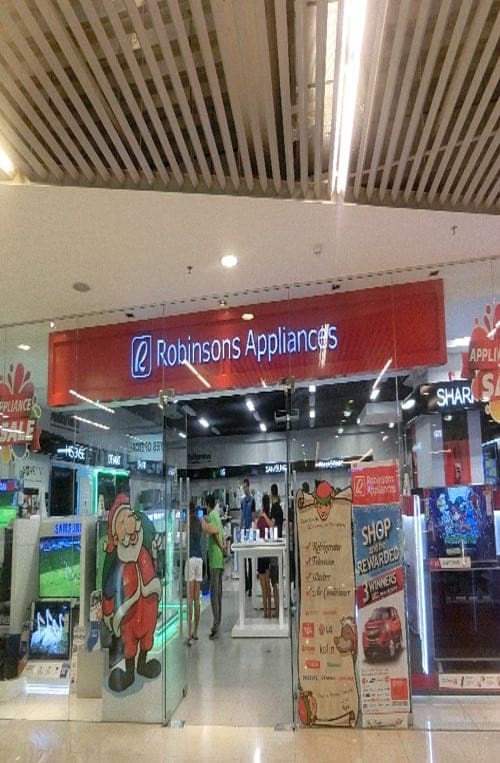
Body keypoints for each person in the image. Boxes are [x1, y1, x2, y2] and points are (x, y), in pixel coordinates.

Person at [204, 493, 225, 639]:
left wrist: (220, 546)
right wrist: (223, 546)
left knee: (214, 593)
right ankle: (218, 620)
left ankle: (216, 624)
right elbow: (221, 533)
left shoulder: (211, 515)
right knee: (218, 592)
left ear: (207, 504)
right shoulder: (217, 515)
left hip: (215, 558)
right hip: (220, 558)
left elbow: (215, 533)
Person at [185, 501, 203, 644]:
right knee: (197, 599)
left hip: (190, 559)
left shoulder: (187, 523)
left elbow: (184, 541)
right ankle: (196, 631)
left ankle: (189, 632)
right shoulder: (199, 522)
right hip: (199, 559)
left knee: (190, 598)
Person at [256, 494, 273, 618]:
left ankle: (266, 611)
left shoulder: (261, 517)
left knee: (263, 584)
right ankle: (269, 610)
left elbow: (256, 528)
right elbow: (272, 526)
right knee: (268, 584)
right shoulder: (269, 516)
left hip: (261, 551)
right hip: (268, 551)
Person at [269, 483, 284, 618]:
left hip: (274, 543)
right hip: (279, 540)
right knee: (277, 577)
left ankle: (278, 609)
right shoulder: (280, 507)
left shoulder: (274, 507)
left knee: (274, 578)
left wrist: (264, 517)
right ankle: (279, 607)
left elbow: (272, 523)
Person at [240, 478, 255, 596]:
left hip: (250, 531)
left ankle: (251, 586)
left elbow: (253, 517)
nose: (244, 489)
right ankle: (246, 584)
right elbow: (242, 516)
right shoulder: (242, 501)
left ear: (248, 487)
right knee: (244, 559)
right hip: (244, 532)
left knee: (250, 560)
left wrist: (252, 530)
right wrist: (241, 530)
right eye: (243, 487)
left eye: (245, 487)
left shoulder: (252, 501)